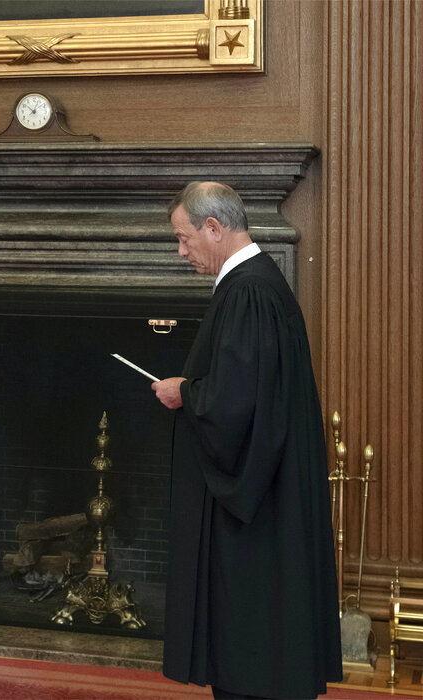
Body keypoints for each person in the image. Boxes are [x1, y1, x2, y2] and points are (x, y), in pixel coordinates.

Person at [152, 181, 342, 699]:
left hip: (255, 510)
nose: (181, 250)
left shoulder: (249, 290)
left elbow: (233, 405)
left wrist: (185, 392)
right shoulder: (257, 284)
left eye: (184, 237)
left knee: (251, 645)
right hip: (271, 492)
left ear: (215, 228)